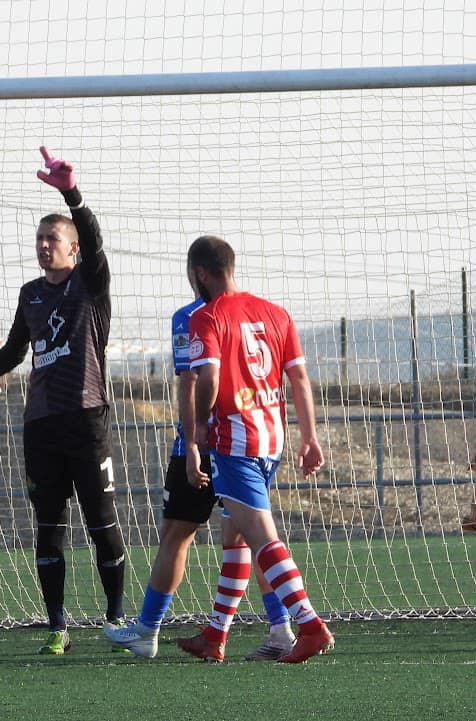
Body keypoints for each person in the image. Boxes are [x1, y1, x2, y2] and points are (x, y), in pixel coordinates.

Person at [104, 297, 296, 660]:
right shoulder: (255, 314)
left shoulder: (191, 317)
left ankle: (148, 629)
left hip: (207, 443)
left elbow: (191, 380)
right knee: (250, 537)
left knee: (178, 533)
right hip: (251, 439)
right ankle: (277, 629)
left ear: (199, 273)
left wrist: (191, 443)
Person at [0, 147, 126, 655]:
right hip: (41, 426)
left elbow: (93, 240)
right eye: (41, 240)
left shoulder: (91, 285)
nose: (47, 246)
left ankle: (115, 619)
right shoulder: (30, 294)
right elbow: (12, 351)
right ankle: (56, 626)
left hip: (88, 419)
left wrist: (72, 195)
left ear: (73, 250)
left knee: (102, 523)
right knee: (48, 529)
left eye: (55, 240)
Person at [178, 235, 334, 664]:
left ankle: (309, 625)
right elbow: (299, 380)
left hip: (236, 444)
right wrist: (310, 437)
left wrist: (200, 429)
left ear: (200, 273)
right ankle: (215, 634)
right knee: (236, 539)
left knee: (263, 539)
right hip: (272, 439)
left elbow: (206, 379)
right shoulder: (275, 313)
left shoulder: (206, 317)